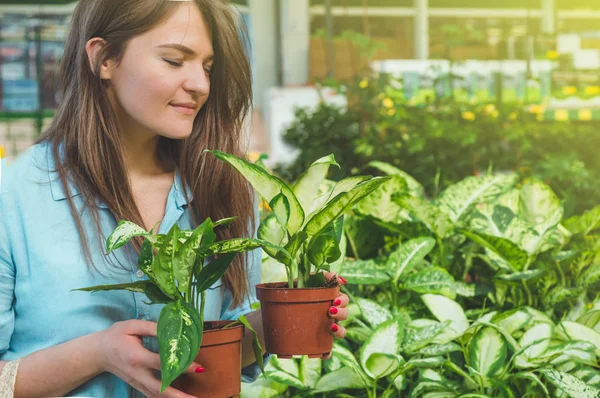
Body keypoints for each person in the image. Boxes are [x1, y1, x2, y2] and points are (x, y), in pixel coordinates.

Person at [0, 0, 349, 397]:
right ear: (103, 59)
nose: (200, 84)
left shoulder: (220, 187)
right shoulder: (13, 197)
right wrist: (98, 353)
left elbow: (224, 347)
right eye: (173, 60)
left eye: (207, 67)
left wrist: (290, 314)